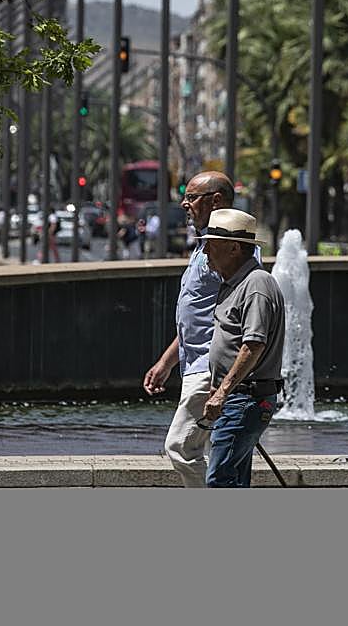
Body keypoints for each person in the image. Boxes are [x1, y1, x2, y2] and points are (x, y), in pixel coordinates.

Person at [142, 171, 239, 487]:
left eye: (192, 197)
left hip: (209, 368)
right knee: (210, 451)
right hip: (193, 364)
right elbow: (194, 317)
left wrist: (223, 379)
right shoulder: (205, 246)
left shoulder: (228, 250)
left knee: (180, 446)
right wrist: (166, 362)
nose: (184, 203)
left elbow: (237, 315)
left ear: (216, 201)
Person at [200, 208, 285, 488]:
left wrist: (223, 391)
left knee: (220, 479)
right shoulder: (234, 284)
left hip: (245, 398)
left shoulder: (256, 285)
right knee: (234, 478)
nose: (205, 252)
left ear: (234, 248)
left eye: (211, 245)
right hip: (238, 397)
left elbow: (253, 345)